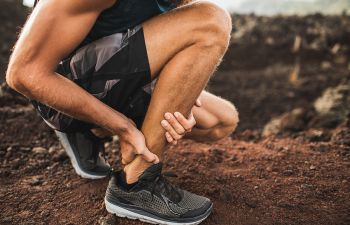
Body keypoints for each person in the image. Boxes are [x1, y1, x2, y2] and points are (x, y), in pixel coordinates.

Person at [6, 0, 238, 224]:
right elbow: (24, 74)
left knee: (221, 120)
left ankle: (91, 132)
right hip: (55, 93)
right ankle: (137, 184)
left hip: (112, 71)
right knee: (211, 21)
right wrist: (122, 126)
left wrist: (184, 92)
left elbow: (175, 29)